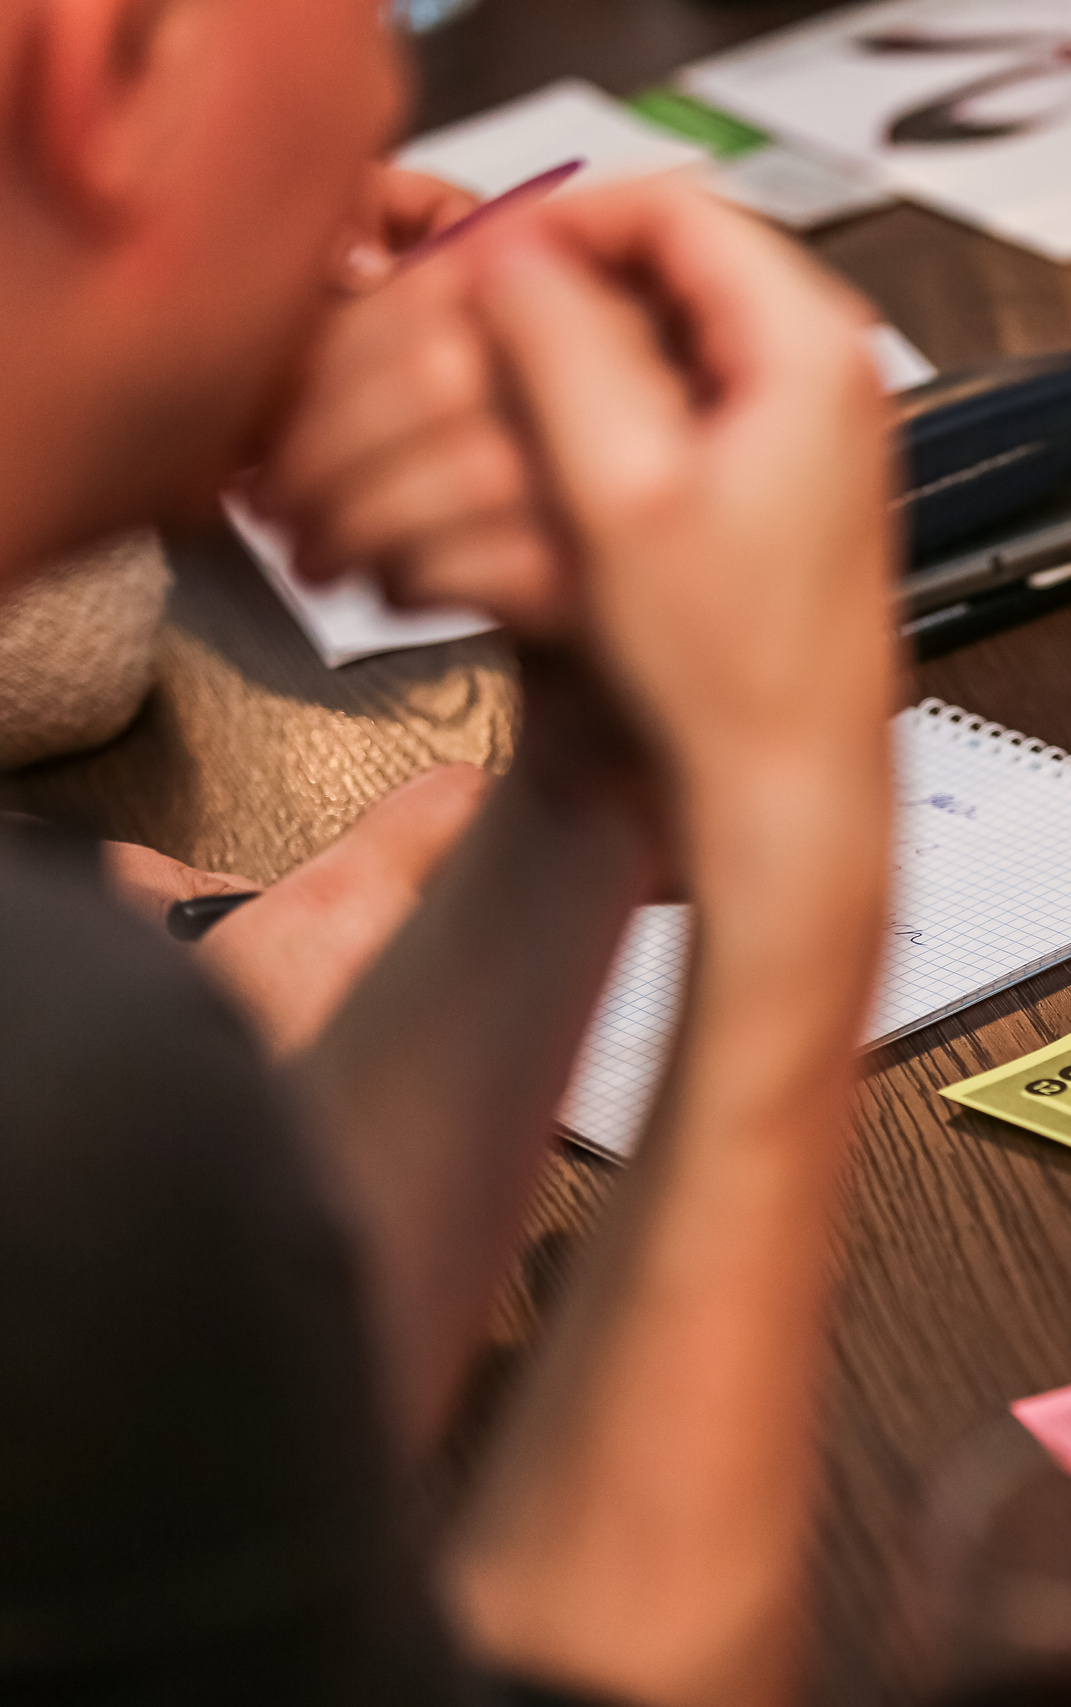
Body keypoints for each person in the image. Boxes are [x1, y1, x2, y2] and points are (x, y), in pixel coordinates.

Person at [0, 2, 907, 1703]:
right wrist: (798, 819)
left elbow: (179, 1491)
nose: (393, 110)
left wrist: (590, 776)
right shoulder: (59, 1052)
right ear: (107, 63)